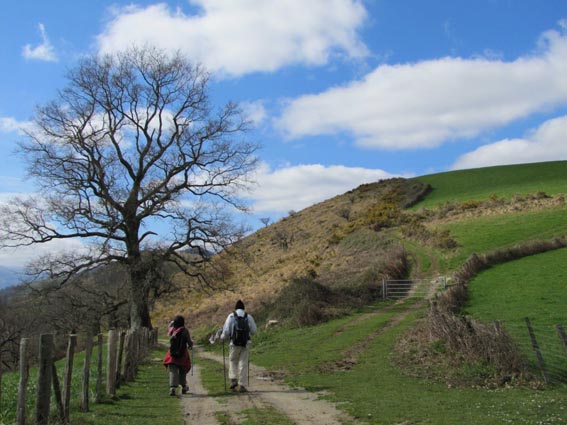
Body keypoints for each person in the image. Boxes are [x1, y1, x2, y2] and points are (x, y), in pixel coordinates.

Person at [221, 299, 257, 392]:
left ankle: (233, 379)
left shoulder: (231, 316)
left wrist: (222, 337)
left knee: (233, 361)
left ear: (235, 308)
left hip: (234, 343)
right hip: (245, 343)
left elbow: (226, 331)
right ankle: (242, 385)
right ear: (243, 308)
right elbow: (254, 331)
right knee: (243, 363)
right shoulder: (248, 316)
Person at [163, 315, 193, 396]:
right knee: (182, 370)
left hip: (172, 355)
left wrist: (172, 323)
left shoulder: (172, 330)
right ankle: (183, 386)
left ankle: (172, 388)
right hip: (182, 354)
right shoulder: (185, 331)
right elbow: (189, 341)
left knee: (173, 370)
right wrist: (191, 345)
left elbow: (168, 329)